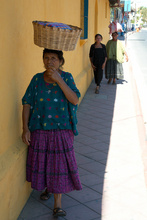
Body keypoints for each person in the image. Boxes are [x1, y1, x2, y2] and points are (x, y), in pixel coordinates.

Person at [22, 48, 82, 217]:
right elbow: (26, 102)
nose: (50, 61)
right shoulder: (36, 79)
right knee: (44, 162)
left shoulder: (67, 77)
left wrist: (59, 80)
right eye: (46, 58)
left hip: (61, 130)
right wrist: (25, 128)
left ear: (61, 61)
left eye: (54, 58)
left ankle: (58, 204)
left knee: (58, 166)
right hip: (39, 129)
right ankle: (49, 187)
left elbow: (75, 99)